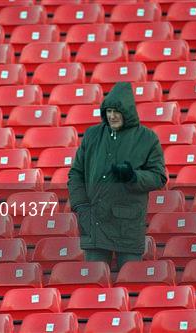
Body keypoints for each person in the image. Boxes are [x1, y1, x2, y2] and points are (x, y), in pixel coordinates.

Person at [67, 81, 167, 270]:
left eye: (116, 111)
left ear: (127, 112)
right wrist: (80, 206)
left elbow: (158, 177)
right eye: (108, 111)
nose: (112, 116)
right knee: (93, 282)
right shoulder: (92, 135)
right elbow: (76, 174)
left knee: (130, 281)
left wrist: (132, 176)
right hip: (94, 221)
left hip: (128, 226)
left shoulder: (147, 138)